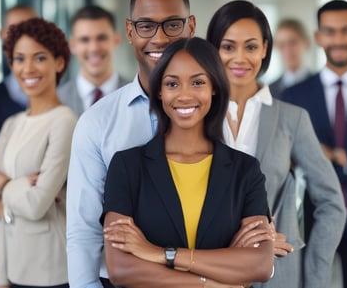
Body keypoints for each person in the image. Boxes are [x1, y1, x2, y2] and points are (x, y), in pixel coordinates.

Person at [102, 37, 274, 288]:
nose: (184, 95)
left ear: (214, 87)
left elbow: (260, 265)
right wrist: (212, 283)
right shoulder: (127, 166)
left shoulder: (245, 170)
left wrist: (162, 254)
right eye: (172, 83)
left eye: (198, 82)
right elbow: (121, 269)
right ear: (159, 90)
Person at [66, 0, 196, 288]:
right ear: (129, 31)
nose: (160, 38)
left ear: (191, 26)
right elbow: (84, 228)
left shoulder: (219, 113)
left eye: (172, 25)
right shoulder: (97, 121)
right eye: (146, 26)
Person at [206, 0, 346, 288]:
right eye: (228, 46)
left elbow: (331, 203)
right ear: (213, 49)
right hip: (209, 268)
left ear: (266, 49)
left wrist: (315, 275)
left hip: (277, 273)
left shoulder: (291, 118)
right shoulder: (196, 114)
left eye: (251, 46)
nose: (240, 58)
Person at [283, 0, 347, 288]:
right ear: (318, 38)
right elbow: (288, 156)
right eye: (330, 31)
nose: (339, 39)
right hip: (311, 216)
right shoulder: (294, 95)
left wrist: (337, 155)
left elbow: (310, 156)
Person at [0, 17, 77, 288]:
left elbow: (37, 205)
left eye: (39, 58)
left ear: (59, 63)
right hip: (12, 267)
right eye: (19, 59)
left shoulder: (65, 121)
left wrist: (3, 185)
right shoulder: (12, 124)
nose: (27, 68)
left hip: (51, 270)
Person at [58, 5, 128, 116]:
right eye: (84, 40)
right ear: (72, 45)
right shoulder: (58, 101)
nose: (94, 48)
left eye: (101, 38)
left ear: (116, 40)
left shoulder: (139, 95)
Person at [0, 4, 37, 145]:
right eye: (15, 30)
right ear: (2, 34)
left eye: (31, 30)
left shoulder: (62, 94)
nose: (24, 38)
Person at [269, 18, 311, 99]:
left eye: (292, 42)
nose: (287, 50)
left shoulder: (320, 86)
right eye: (281, 44)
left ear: (306, 43)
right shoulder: (270, 91)